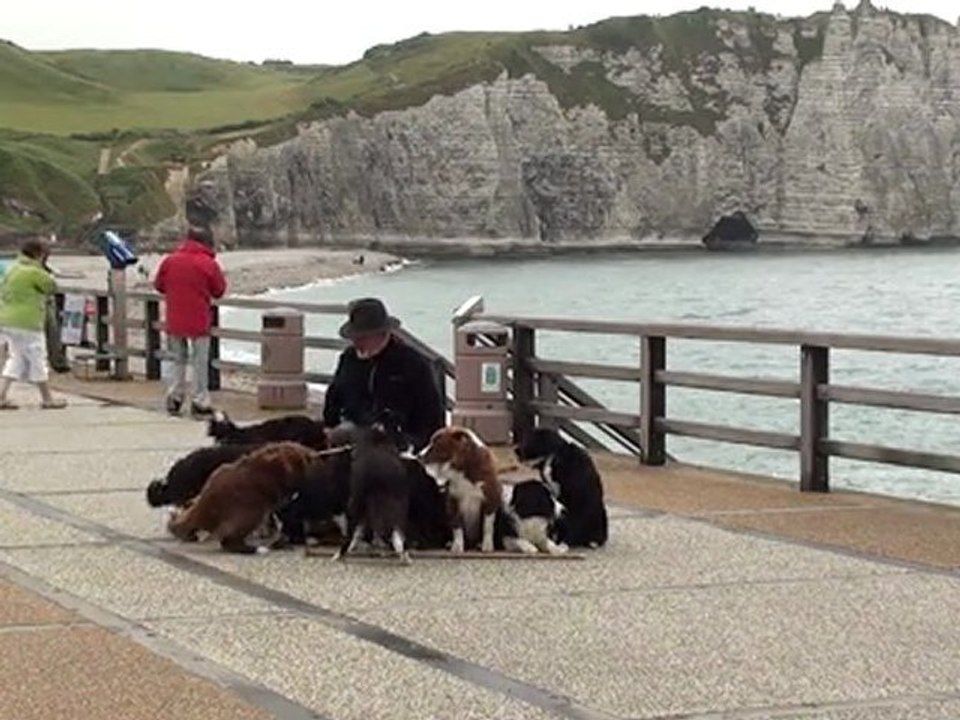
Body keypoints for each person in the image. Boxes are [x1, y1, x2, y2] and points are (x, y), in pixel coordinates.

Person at [323, 298, 445, 452]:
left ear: (381, 334)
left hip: (400, 438)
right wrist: (329, 425)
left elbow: (431, 412)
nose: (356, 343)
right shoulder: (349, 358)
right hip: (355, 427)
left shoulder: (411, 362)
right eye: (354, 338)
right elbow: (334, 395)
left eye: (362, 338)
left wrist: (414, 443)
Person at [153, 226, 226, 417]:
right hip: (199, 318)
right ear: (207, 242)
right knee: (200, 362)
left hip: (175, 317)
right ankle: (199, 400)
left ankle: (175, 397)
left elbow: (159, 285)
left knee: (177, 360)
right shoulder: (208, 263)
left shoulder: (170, 261)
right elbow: (219, 290)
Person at [0, 238, 67, 410]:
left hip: (7, 320)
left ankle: (1, 395)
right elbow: (51, 287)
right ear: (40, 254)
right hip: (28, 321)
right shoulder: (35, 272)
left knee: (16, 358)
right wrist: (49, 273)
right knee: (38, 357)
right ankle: (47, 398)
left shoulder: (12, 269)